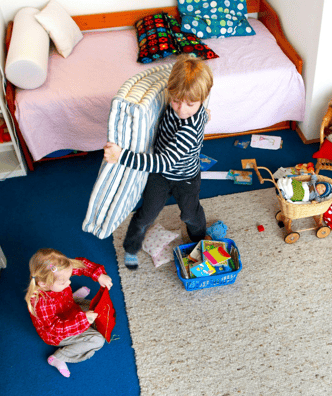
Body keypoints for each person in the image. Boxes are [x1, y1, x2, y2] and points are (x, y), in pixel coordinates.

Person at [103, 54, 214, 269]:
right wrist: (204, 115)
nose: (181, 110)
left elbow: (162, 163)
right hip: (161, 177)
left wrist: (120, 156)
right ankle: (131, 246)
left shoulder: (188, 130)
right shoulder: (185, 106)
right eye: (175, 101)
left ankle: (200, 240)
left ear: (202, 98)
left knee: (190, 214)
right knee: (146, 214)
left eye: (190, 104)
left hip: (185, 176)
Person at [25, 248, 113, 378]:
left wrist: (98, 275)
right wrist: (83, 320)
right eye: (63, 282)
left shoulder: (58, 275)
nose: (69, 282)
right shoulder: (40, 303)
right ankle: (59, 357)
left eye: (68, 277)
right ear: (43, 284)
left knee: (98, 308)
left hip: (67, 306)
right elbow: (55, 328)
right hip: (56, 332)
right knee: (97, 340)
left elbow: (81, 265)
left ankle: (74, 298)